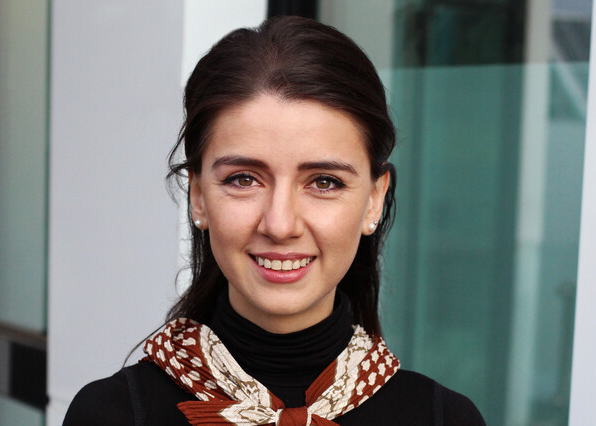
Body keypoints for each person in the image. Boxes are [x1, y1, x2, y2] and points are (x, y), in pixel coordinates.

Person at [63, 16, 485, 425]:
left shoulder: (444, 418)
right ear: (198, 196)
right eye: (244, 179)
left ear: (374, 200)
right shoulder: (112, 414)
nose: (280, 225)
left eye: (324, 181)